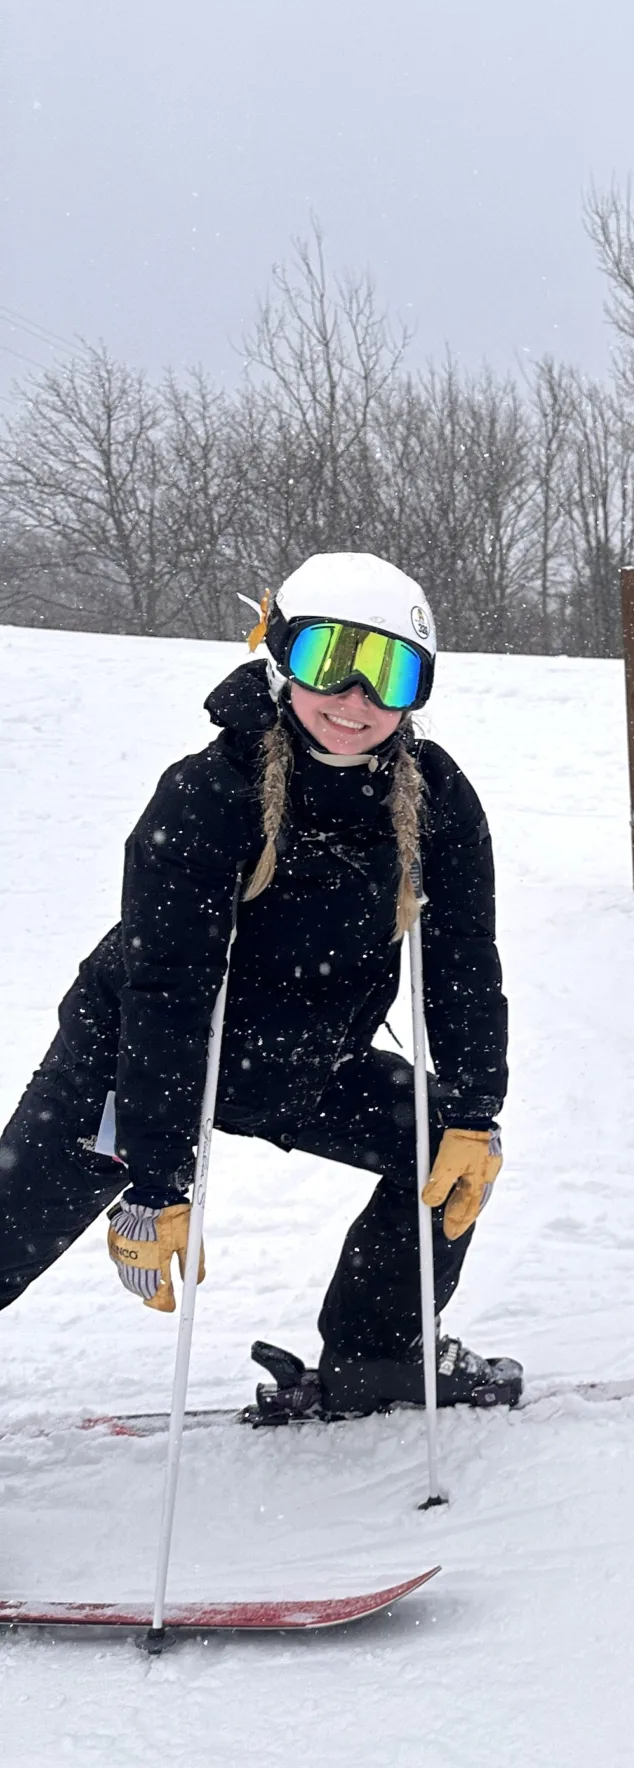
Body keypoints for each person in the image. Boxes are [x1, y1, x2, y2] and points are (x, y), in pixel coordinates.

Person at [0, 550, 518, 1419]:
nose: (354, 699)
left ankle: (377, 1357)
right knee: (13, 1226)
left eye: (388, 673)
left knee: (438, 1158)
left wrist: (472, 1110)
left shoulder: (437, 800)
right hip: (135, 1054)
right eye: (329, 661)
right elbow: (167, 990)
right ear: (282, 655)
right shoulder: (210, 794)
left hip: (299, 1061)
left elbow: (465, 961)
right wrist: (160, 1177)